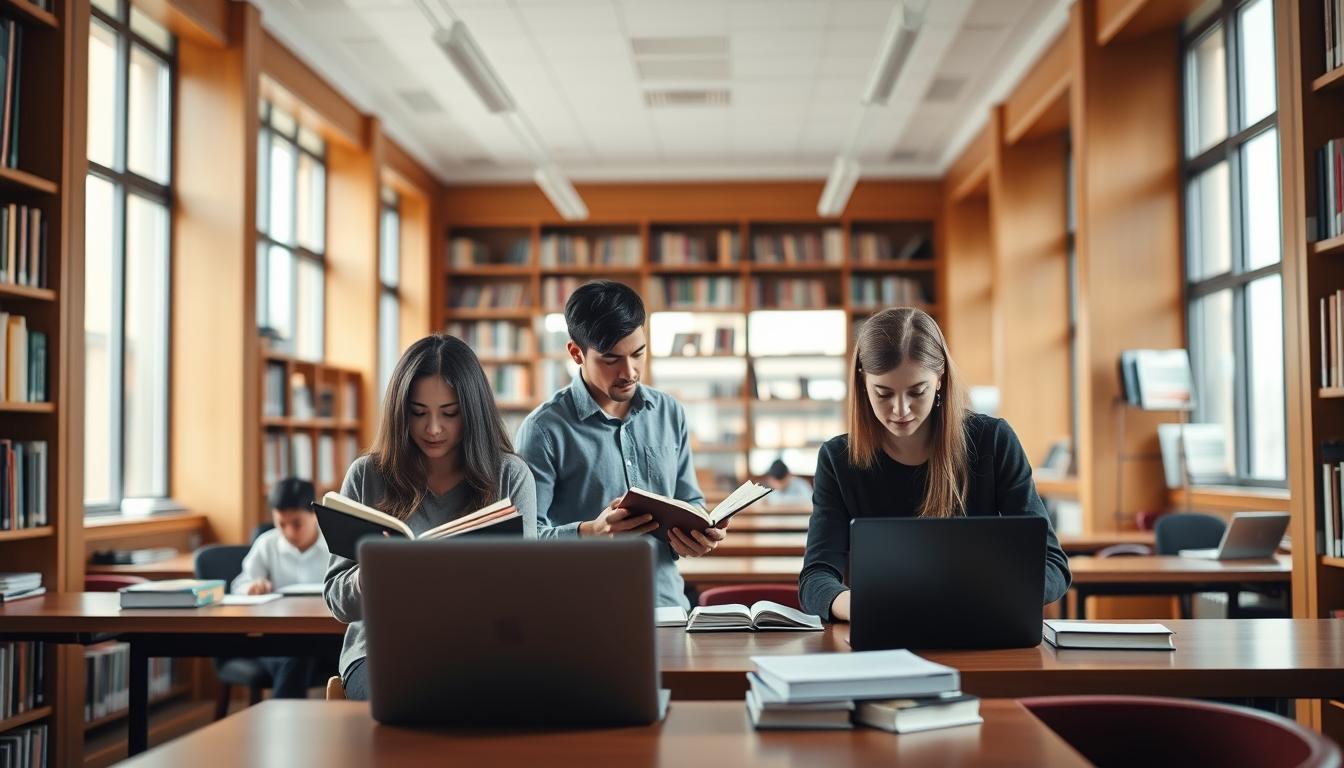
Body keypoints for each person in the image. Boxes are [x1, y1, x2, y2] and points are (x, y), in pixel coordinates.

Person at [799, 307, 1071, 622]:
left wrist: (991, 595)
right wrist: (856, 605)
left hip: (982, 628)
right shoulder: (838, 459)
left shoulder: (992, 441)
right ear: (862, 383)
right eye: (883, 394)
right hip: (884, 634)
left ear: (939, 379)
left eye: (918, 392)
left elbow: (1052, 565)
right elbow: (815, 579)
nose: (901, 410)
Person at [323, 334, 538, 701]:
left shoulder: (509, 476)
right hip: (382, 652)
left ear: (472, 411)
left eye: (450, 413)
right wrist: (372, 574)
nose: (433, 428)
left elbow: (529, 594)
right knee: (420, 700)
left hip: (482, 648)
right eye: (418, 413)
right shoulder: (367, 475)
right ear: (399, 411)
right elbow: (338, 602)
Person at [515, 280, 725, 610]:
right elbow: (522, 542)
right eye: (611, 358)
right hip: (578, 612)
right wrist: (589, 532)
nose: (629, 371)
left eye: (638, 353)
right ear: (576, 353)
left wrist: (699, 536)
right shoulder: (544, 430)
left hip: (666, 606)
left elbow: (689, 499)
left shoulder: (669, 412)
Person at [230, 477, 334, 698]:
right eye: (281, 524)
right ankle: (288, 729)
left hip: (327, 636)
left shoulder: (334, 544)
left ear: (315, 515)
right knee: (293, 657)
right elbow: (239, 585)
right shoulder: (267, 544)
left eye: (297, 524)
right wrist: (252, 587)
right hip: (277, 638)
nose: (288, 532)